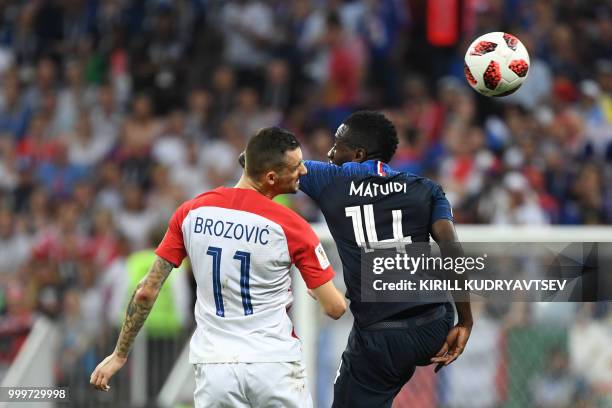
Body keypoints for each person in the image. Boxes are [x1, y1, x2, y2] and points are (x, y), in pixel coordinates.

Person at [90, 127, 346, 408]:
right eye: (297, 166)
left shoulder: (191, 212)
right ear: (271, 177)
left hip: (215, 370)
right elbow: (335, 308)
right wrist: (314, 293)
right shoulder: (292, 226)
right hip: (273, 365)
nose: (304, 171)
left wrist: (119, 354)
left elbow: (146, 292)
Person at [299, 111, 473, 407]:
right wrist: (465, 320)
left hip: (379, 336)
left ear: (358, 154)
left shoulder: (330, 180)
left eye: (337, 145)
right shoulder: (426, 188)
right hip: (434, 326)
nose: (330, 153)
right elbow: (449, 244)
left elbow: (256, 158)